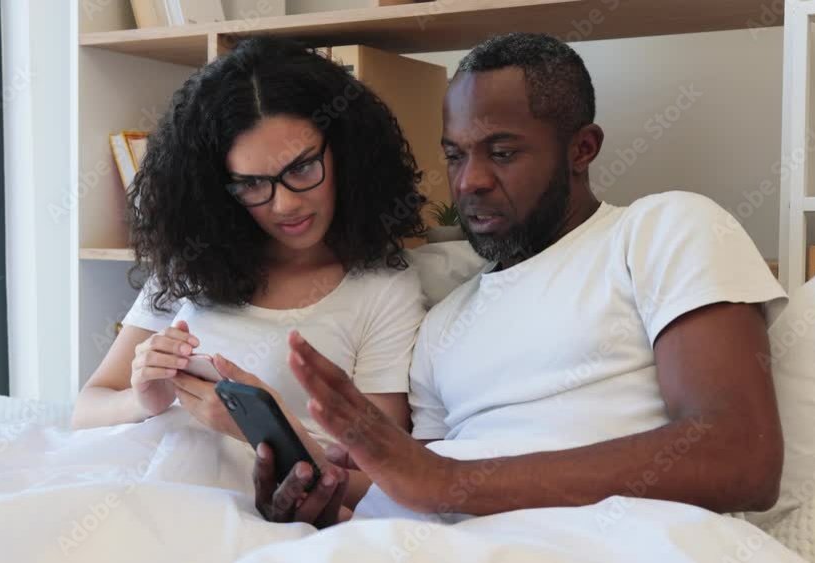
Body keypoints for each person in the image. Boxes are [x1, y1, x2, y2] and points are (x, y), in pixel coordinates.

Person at [253, 32, 787, 526]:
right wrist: (326, 494)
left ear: (582, 148)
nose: (470, 181)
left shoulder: (662, 230)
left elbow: (740, 458)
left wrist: (446, 481)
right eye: (454, 156)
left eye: (502, 153)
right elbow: (423, 491)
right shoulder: (444, 322)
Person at [71, 36, 430, 513]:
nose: (285, 204)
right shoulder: (192, 263)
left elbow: (386, 482)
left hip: (231, 504)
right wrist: (142, 400)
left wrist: (263, 429)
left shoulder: (382, 289)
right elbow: (86, 409)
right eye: (253, 184)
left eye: (302, 168)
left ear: (345, 153)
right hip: (131, 476)